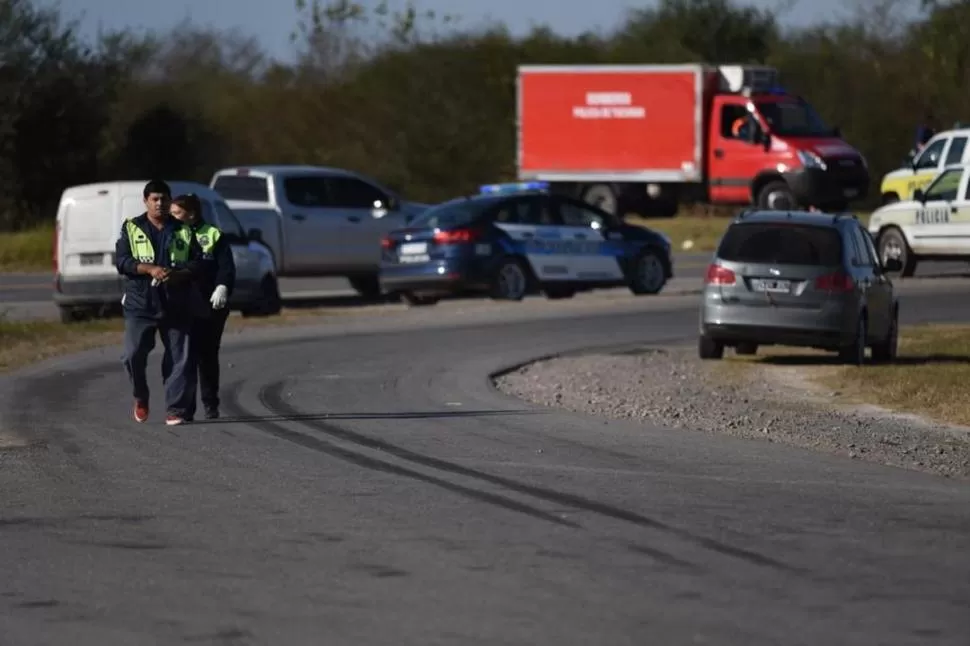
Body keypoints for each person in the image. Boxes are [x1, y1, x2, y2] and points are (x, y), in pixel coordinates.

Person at [115, 179, 204, 426]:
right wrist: (148, 268)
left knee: (180, 357)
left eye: (164, 199)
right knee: (133, 354)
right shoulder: (131, 228)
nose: (160, 203)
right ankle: (140, 395)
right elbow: (122, 261)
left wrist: (178, 274)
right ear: (145, 202)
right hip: (140, 303)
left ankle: (175, 409)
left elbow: (198, 264)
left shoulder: (184, 230)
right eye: (154, 199)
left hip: (176, 302)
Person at [169, 193, 236, 420]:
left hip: (210, 303)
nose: (173, 217)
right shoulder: (172, 234)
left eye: (177, 213)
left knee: (207, 355)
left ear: (191, 213)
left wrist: (223, 286)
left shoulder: (213, 234)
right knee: (185, 356)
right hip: (182, 302)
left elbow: (226, 266)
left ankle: (210, 403)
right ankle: (185, 408)